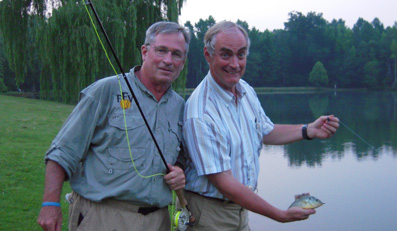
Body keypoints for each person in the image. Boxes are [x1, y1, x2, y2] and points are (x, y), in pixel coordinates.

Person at [182, 21, 340, 231]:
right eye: (226, 54)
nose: (235, 64)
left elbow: (266, 131)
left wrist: (308, 130)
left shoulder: (244, 89)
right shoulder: (200, 112)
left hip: (241, 210)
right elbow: (225, 183)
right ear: (208, 55)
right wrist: (280, 215)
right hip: (210, 216)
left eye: (241, 54)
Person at [37, 21, 190, 231]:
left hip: (158, 221)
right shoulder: (105, 91)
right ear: (145, 52)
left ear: (183, 61)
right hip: (102, 217)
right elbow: (62, 152)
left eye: (176, 54)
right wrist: (50, 204)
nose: (168, 60)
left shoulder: (180, 106)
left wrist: (180, 169)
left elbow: (182, 151)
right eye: (161, 50)